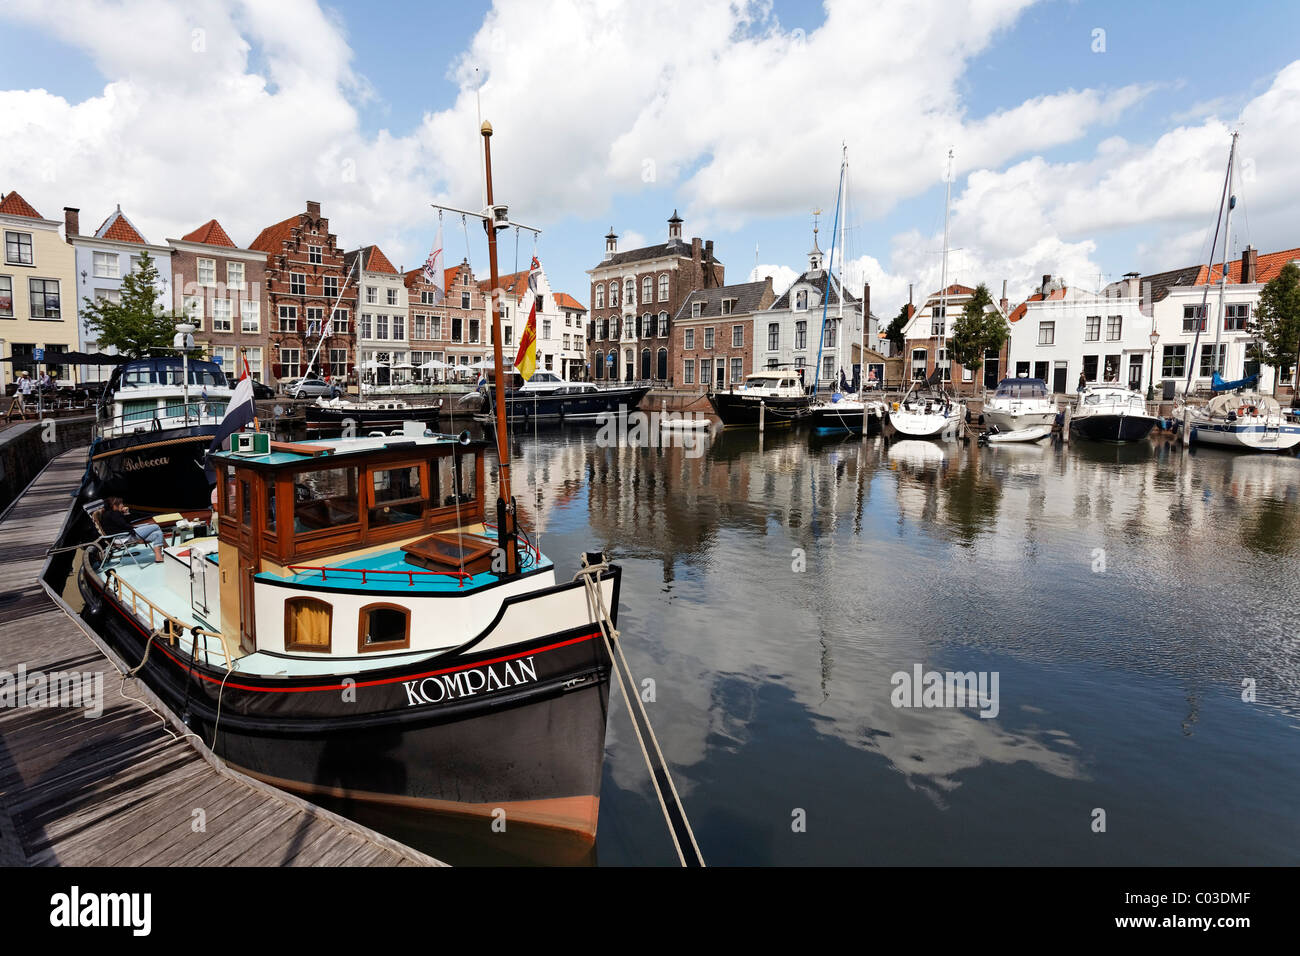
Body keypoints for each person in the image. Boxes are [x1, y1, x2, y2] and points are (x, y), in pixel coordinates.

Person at [100, 497, 165, 563]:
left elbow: (126, 524)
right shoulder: (113, 514)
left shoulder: (111, 514)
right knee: (155, 526)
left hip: (126, 535)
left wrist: (126, 513)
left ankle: (158, 558)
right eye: (120, 503)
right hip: (124, 537)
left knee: (158, 534)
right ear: (114, 505)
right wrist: (137, 527)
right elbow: (125, 525)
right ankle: (167, 549)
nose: (122, 505)